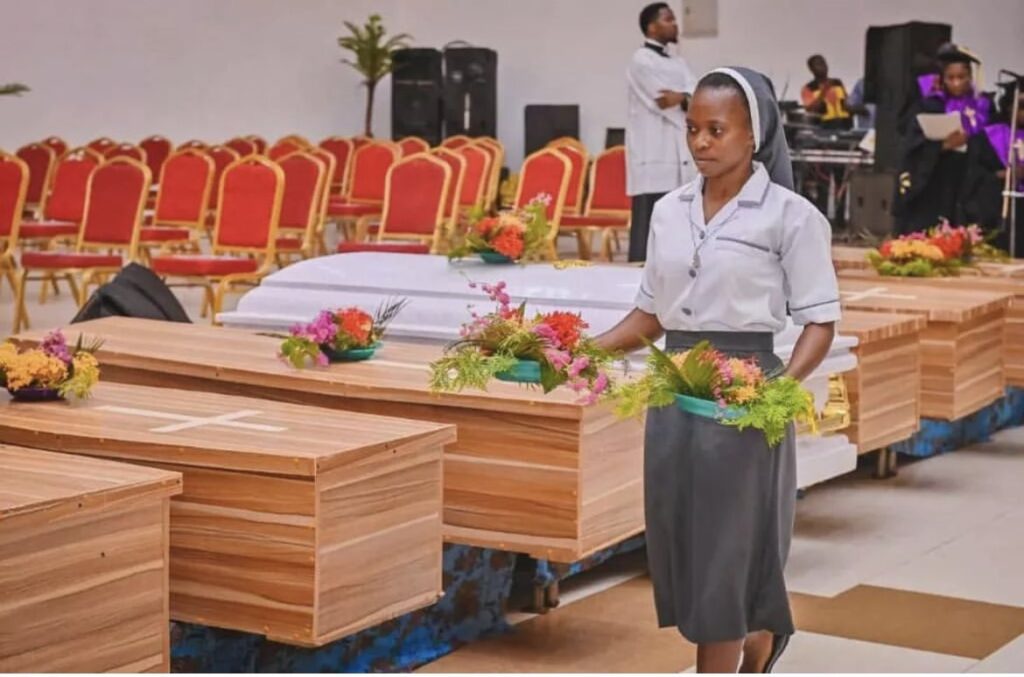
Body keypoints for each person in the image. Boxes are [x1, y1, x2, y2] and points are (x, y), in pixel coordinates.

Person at [597, 67, 837, 673]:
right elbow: (651, 315)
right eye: (692, 129)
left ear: (754, 134)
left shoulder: (791, 217)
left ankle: (732, 648)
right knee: (682, 535)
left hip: (745, 390)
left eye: (716, 129)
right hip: (675, 389)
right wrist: (582, 350)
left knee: (727, 547)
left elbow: (819, 321)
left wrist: (778, 390)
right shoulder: (669, 212)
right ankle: (760, 634)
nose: (700, 142)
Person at [626, 2, 698, 262]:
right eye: (668, 19)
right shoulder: (641, 60)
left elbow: (697, 93)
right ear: (652, 27)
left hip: (679, 148)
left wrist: (684, 97)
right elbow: (662, 100)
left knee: (677, 216)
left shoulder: (679, 62)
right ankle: (639, 269)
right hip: (652, 148)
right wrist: (685, 98)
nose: (675, 24)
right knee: (650, 215)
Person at [893, 43, 992, 233]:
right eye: (950, 78)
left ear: (970, 77)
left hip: (967, 181)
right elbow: (911, 146)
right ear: (942, 79)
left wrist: (970, 142)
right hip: (935, 181)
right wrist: (942, 145)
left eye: (961, 77)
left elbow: (990, 151)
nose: (956, 83)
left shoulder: (982, 108)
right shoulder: (929, 105)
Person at [961, 78, 1024, 256]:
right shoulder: (988, 136)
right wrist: (1002, 175)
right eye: (1022, 106)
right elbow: (972, 175)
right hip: (998, 210)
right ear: (1009, 107)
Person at [800, 55, 852, 130]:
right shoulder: (808, 88)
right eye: (818, 64)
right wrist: (824, 91)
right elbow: (811, 111)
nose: (823, 66)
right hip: (824, 128)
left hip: (845, 125)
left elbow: (847, 103)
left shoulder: (837, 82)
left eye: (824, 63)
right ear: (811, 69)